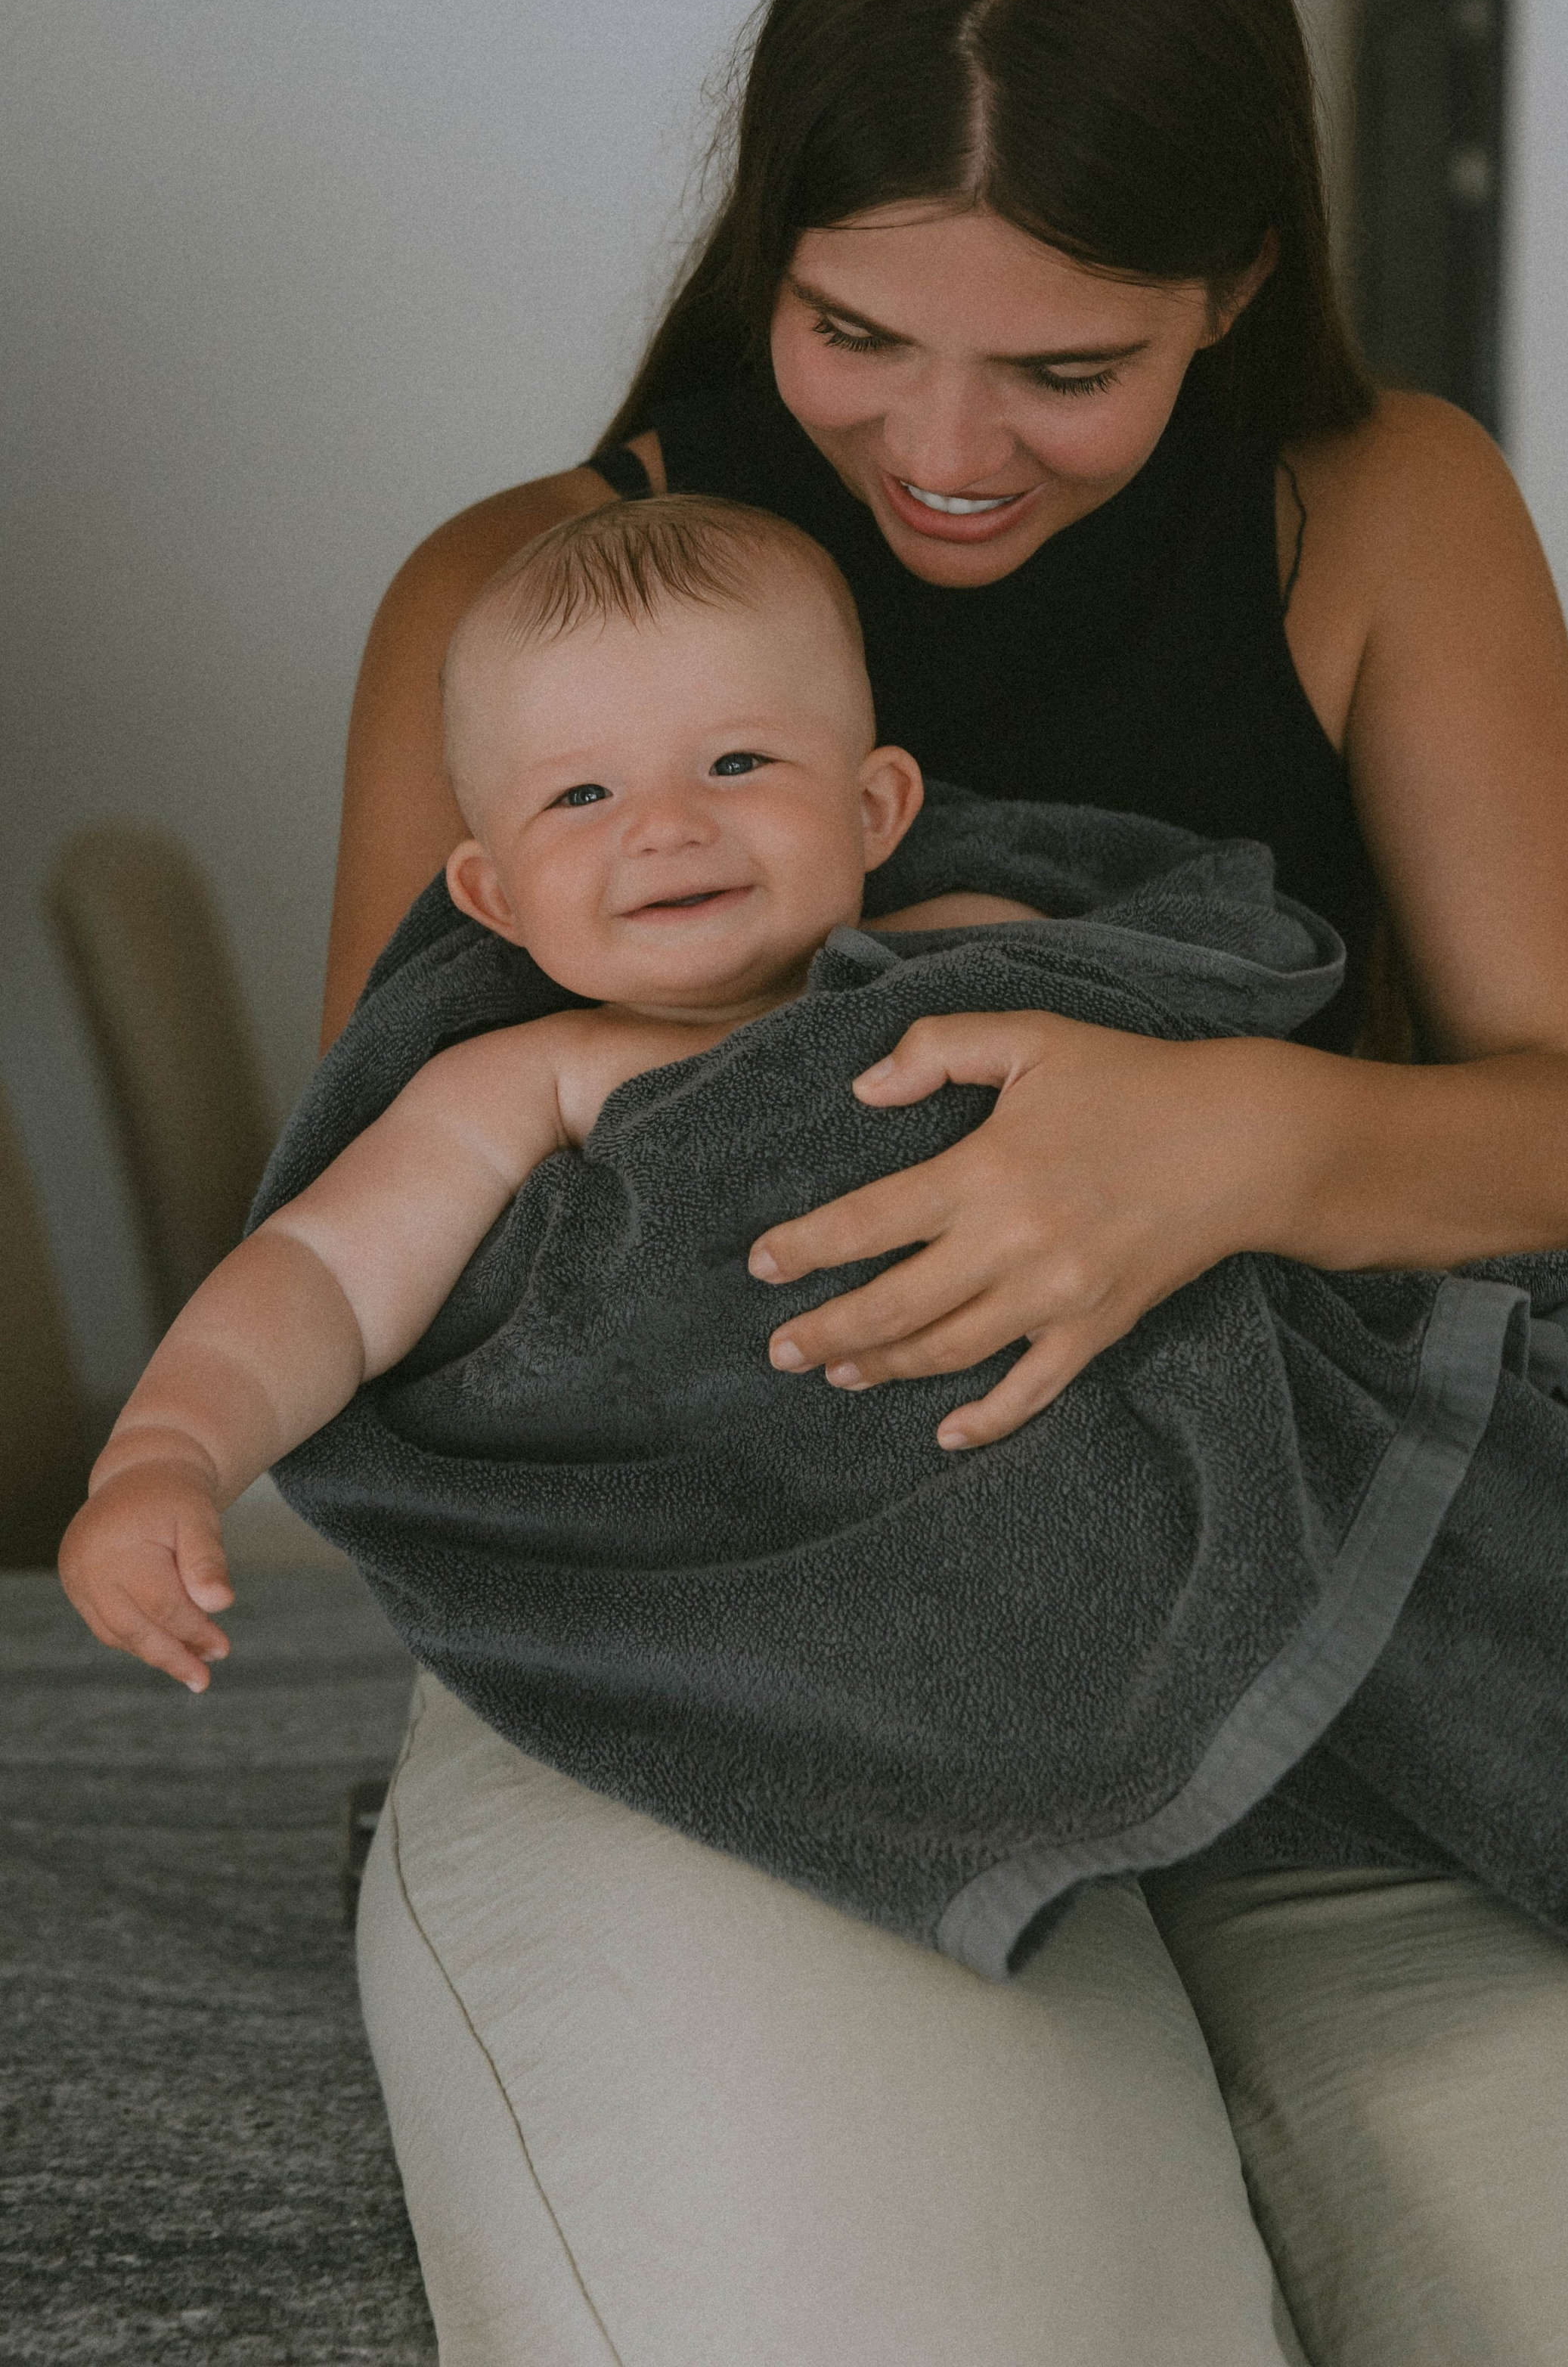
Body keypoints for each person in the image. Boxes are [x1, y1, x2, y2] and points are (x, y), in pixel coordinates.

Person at [318, 0, 1568, 2365]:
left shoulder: (1378, 514)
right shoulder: (512, 604)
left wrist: (1224, 1143)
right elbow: (408, 1264)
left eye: (1067, 370)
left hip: (1339, 1609)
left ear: (1238, 283)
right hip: (753, 1643)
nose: (946, 449)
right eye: (856, 332)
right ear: (768, 251)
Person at [58, 493, 1047, 1686]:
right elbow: (322, 1273)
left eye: (737, 763)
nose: (666, 827)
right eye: (583, 796)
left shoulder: (990, 955)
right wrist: (165, 1452)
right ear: (498, 898)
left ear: (874, 808)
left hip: (1016, 1531)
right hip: (716, 1590)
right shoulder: (533, 1079)